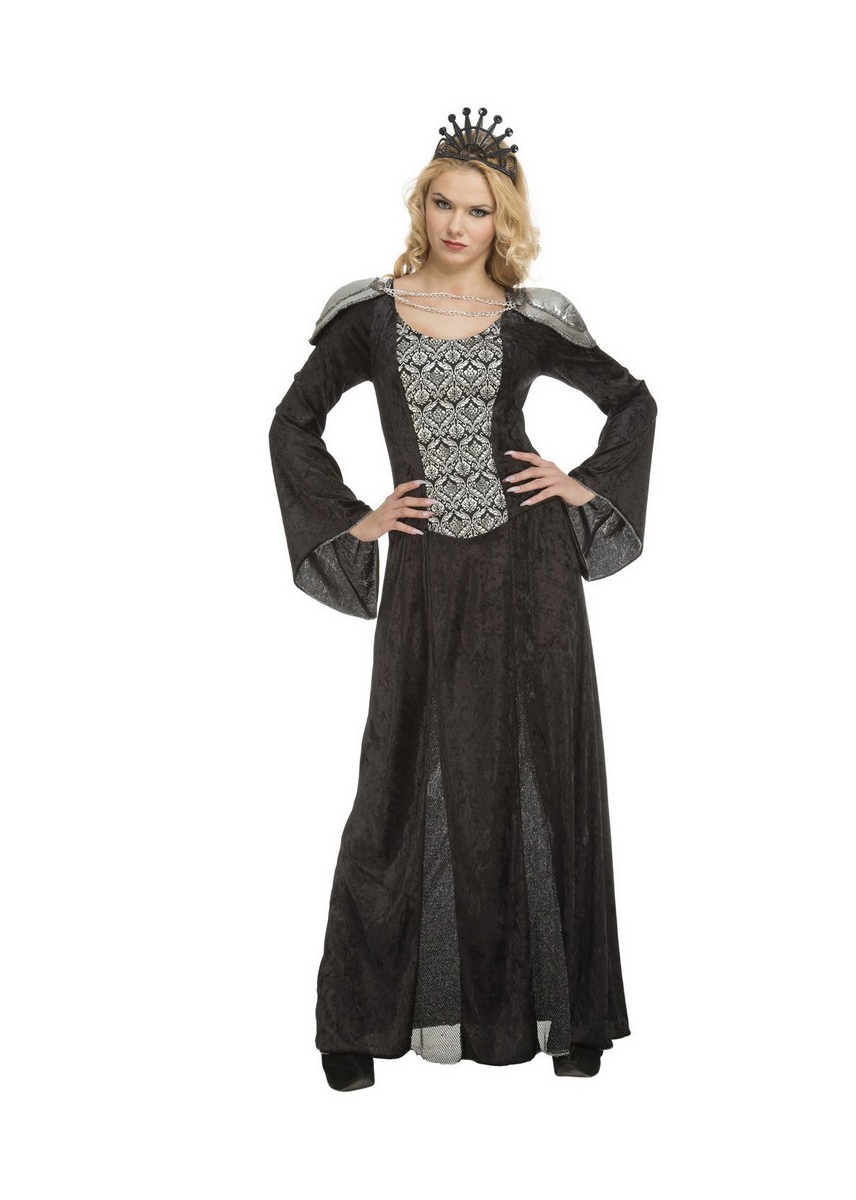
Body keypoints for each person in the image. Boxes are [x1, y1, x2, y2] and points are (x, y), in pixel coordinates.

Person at [269, 107, 658, 1091]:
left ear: (502, 221)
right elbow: (293, 423)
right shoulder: (371, 315)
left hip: (531, 583)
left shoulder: (531, 321)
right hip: (428, 580)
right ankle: (358, 1024)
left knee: (544, 775)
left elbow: (633, 402)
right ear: (423, 206)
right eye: (443, 203)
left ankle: (566, 1017)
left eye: (477, 210)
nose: (456, 224)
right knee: (397, 783)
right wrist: (358, 519)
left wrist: (579, 486)